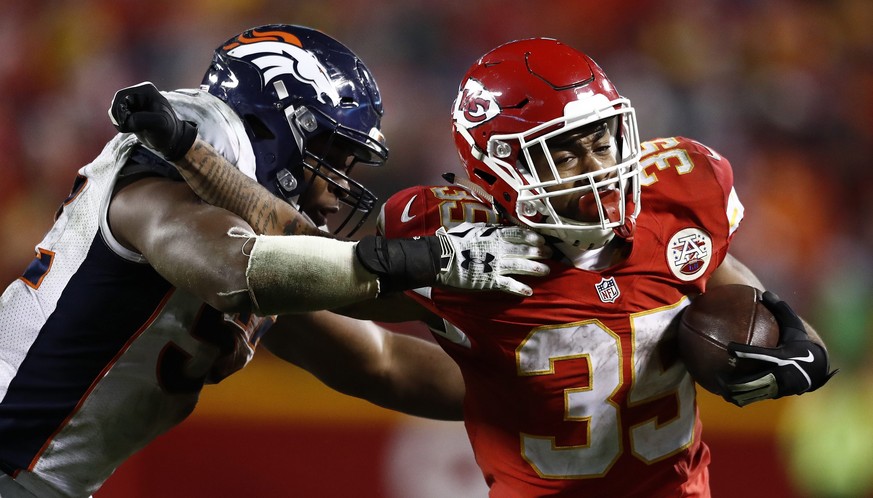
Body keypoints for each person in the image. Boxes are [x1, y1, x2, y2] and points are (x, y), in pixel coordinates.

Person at [173, 37, 836, 497]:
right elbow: (354, 318)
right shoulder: (454, 237)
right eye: (564, 152)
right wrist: (244, 296)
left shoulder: (681, 187)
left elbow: (712, 270)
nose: (598, 166)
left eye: (602, 139)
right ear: (497, 171)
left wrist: (776, 327)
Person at [0, 25, 551, 498]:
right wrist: (431, 260)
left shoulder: (266, 254)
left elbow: (379, 363)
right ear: (274, 130)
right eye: (332, 157)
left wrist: (556, 387)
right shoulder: (159, 183)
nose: (336, 194)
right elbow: (233, 271)